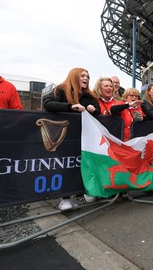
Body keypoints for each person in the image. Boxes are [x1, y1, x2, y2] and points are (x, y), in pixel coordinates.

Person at [43, 68, 101, 210]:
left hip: (86, 137)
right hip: (66, 137)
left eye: (87, 76)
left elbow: (98, 109)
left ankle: (84, 191)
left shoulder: (90, 95)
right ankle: (65, 198)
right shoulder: (61, 89)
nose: (86, 78)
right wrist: (70, 106)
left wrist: (94, 109)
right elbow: (47, 103)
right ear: (74, 76)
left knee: (82, 165)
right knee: (67, 166)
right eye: (82, 76)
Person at [0, 56, 23, 226]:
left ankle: (4, 197)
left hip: (1, 135)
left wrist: (9, 127)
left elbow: (17, 110)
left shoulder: (8, 87)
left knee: (1, 165)